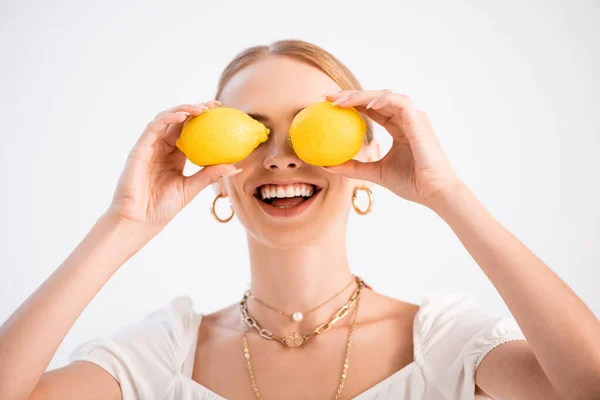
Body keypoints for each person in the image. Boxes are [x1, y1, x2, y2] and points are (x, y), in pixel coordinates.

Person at [0, 39, 599, 400]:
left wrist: (447, 194)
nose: (281, 155)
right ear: (218, 172)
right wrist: (124, 222)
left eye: (310, 129)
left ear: (363, 159)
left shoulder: (443, 344)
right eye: (252, 131)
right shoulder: (163, 356)